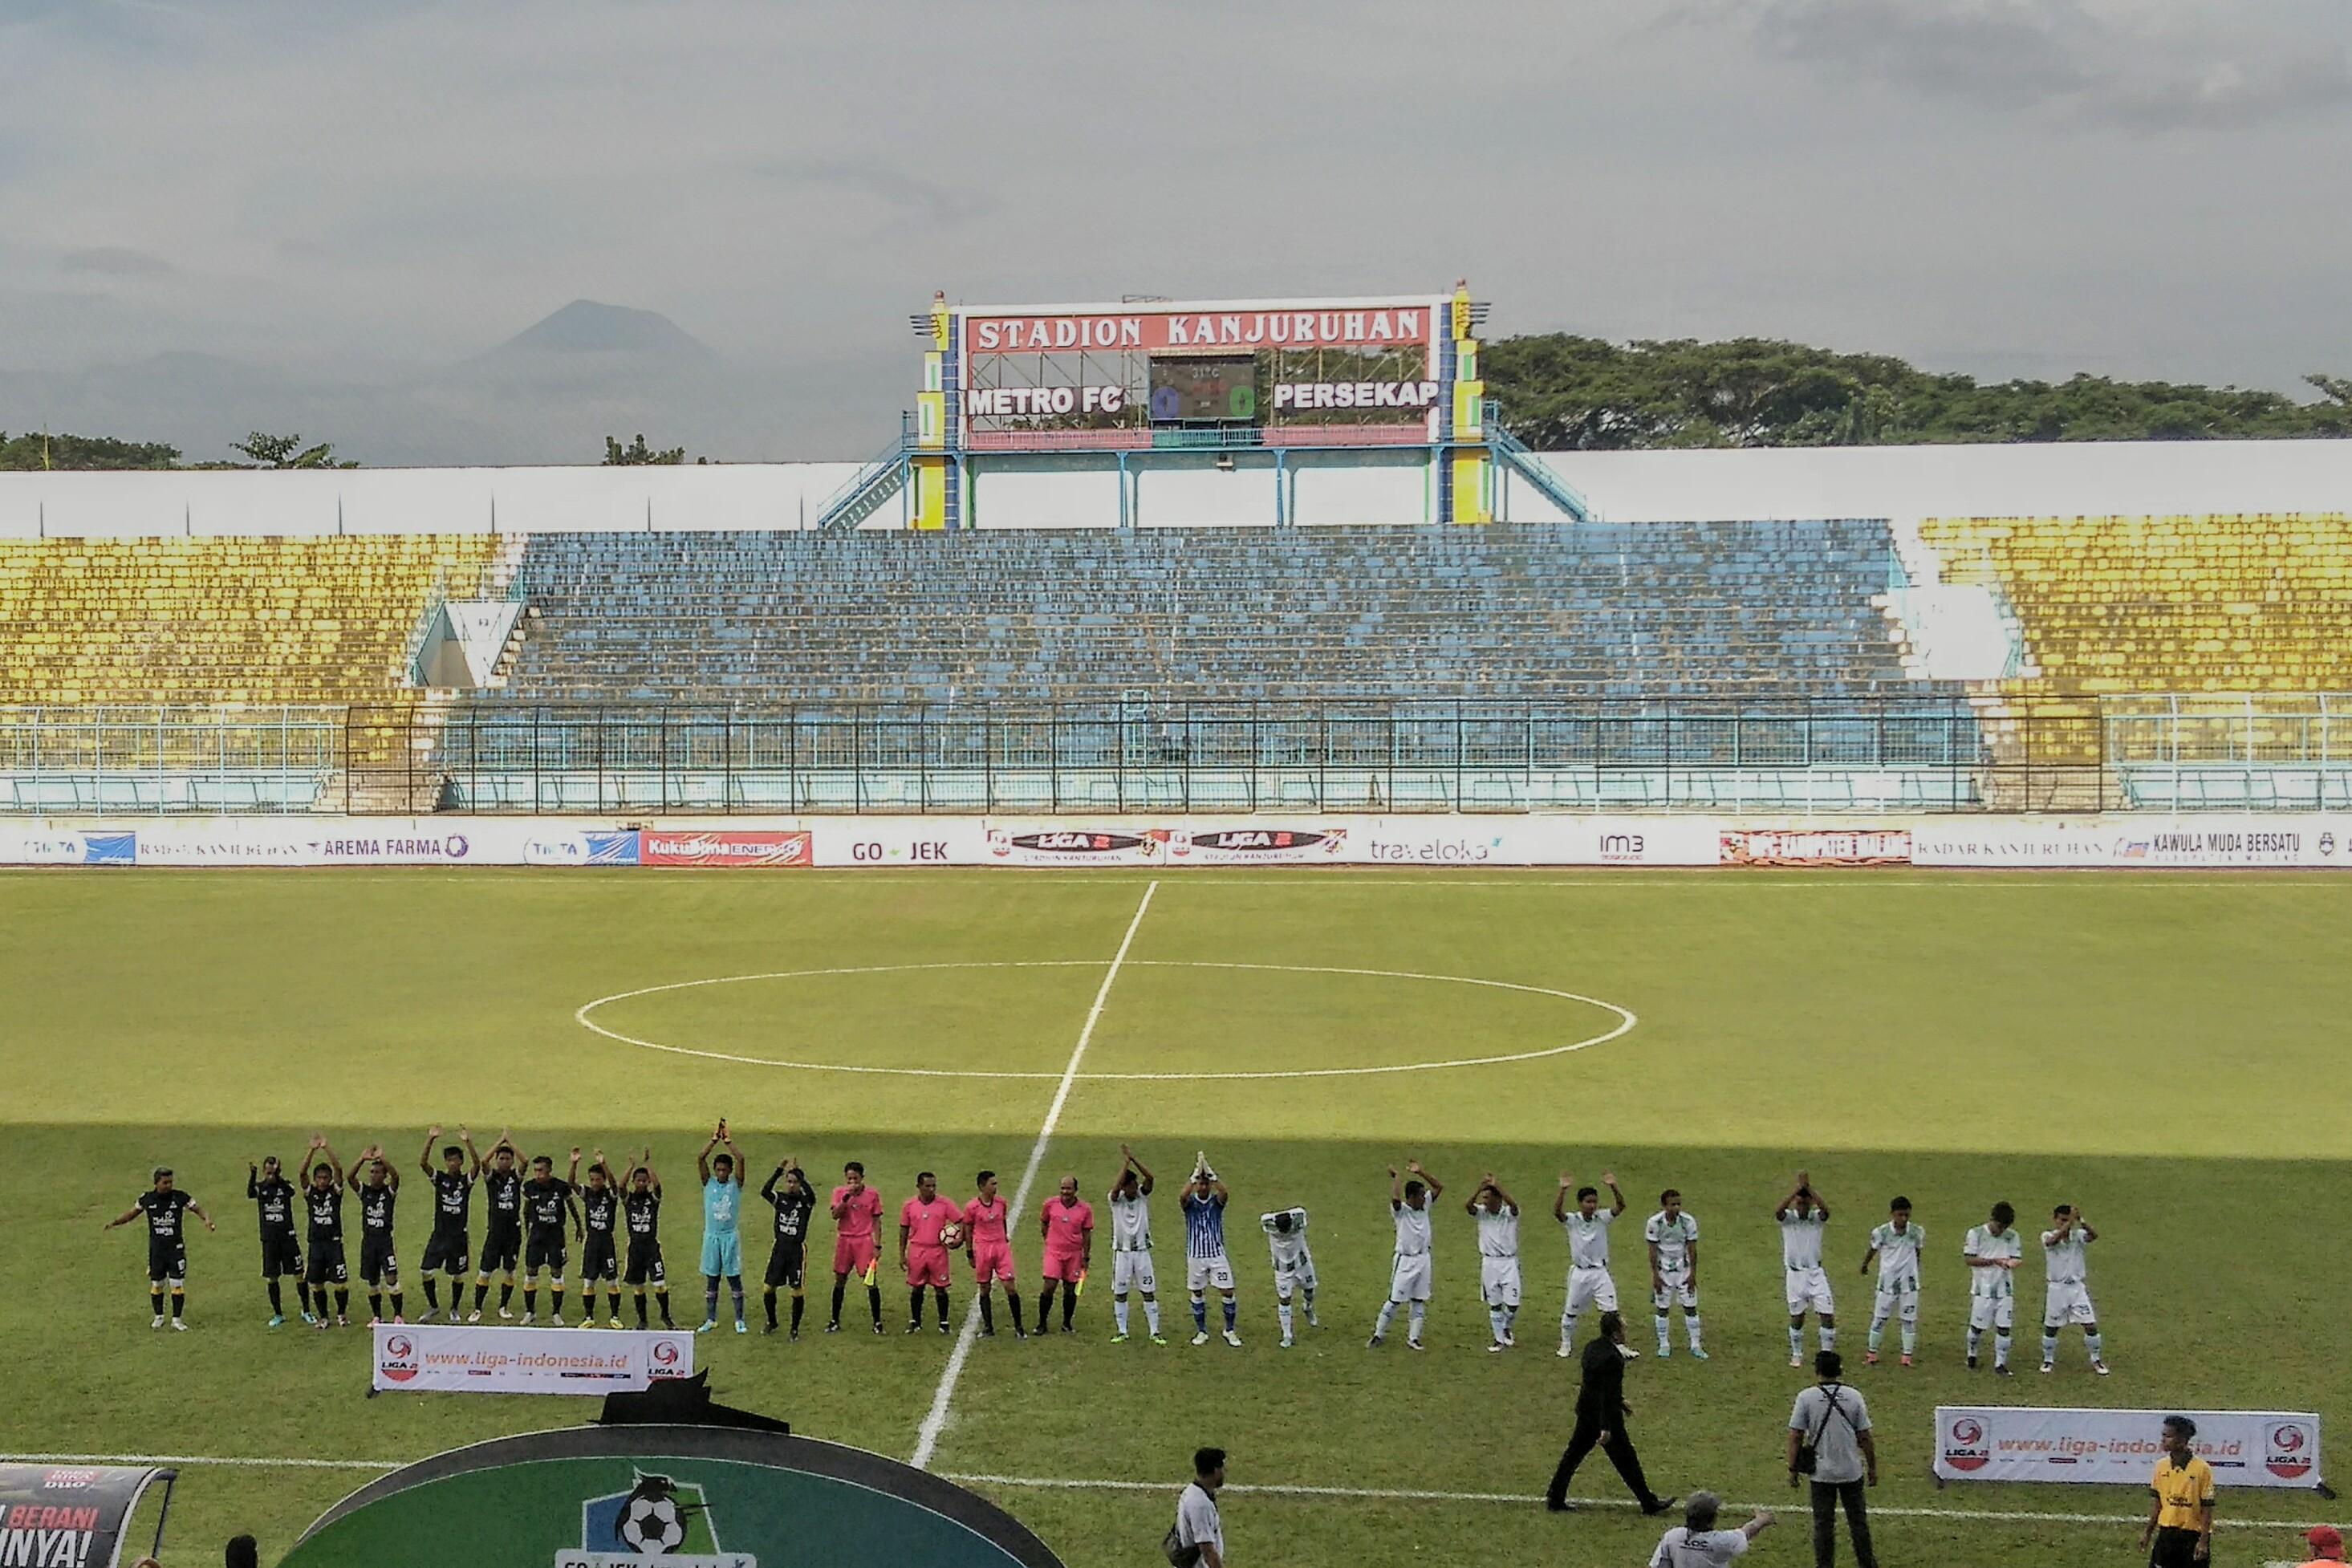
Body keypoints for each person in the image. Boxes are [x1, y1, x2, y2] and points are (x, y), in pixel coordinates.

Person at [1545, 1310, 1673, 1516]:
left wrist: (1621, 1402)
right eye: (1623, 1328)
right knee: (1626, 1459)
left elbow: (1595, 1385)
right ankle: (1649, 1503)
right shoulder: (1614, 1358)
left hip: (1586, 1412)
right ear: (1615, 1333)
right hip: (1605, 1418)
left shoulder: (1591, 1348)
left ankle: (1555, 1497)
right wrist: (1605, 1426)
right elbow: (1605, 1393)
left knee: (1573, 1455)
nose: (1626, 1331)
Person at [1786, 1350, 1878, 1568]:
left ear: (1817, 1371)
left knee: (1823, 1525)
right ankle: (1867, 1564)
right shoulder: (1854, 1396)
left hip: (1821, 1473)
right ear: (1840, 1370)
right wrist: (1872, 1468)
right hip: (1851, 1470)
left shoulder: (1806, 1397)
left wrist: (1793, 1470)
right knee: (1859, 1524)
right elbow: (1865, 1436)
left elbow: (1796, 1435)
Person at [105, 1165, 213, 1330]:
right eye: (165, 1182)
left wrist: (206, 1219)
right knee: (157, 1284)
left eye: (170, 1182)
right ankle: (159, 1317)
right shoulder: (147, 1199)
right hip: (157, 1250)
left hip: (175, 1249)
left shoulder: (180, 1197)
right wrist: (115, 1222)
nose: (169, 1185)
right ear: (156, 1183)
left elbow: (197, 1209)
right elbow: (132, 1214)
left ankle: (177, 1320)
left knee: (176, 1284)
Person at [1371, 1160, 1441, 1351]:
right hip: (1405, 1260)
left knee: (1419, 1300)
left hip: (1424, 1259)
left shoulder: (1425, 1205)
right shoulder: (1401, 1211)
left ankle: (1413, 1338)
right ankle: (1378, 1334)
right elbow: (1395, 1200)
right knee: (1394, 1300)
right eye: (1420, 1196)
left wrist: (1421, 1172)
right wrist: (1397, 1178)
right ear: (1411, 1198)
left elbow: (1438, 1187)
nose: (1423, 1198)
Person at [1555, 1169, 1626, 1359]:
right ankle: (1566, 1344)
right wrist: (1563, 1190)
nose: (1592, 1205)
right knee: (1571, 1312)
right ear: (1580, 1203)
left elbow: (1621, 1206)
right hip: (1580, 1273)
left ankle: (1619, 1346)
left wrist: (1613, 1186)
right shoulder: (1573, 1220)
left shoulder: (1602, 1218)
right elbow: (1558, 1213)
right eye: (1588, 1202)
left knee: (1612, 1312)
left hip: (1600, 1272)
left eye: (1594, 1201)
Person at [2040, 1204, 2109, 1375]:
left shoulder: (2077, 1236)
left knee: (2090, 1325)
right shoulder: (2047, 1235)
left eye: (2067, 1219)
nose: (2065, 1223)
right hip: (2057, 1289)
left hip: (2077, 1288)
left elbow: (2094, 1235)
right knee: (2051, 1327)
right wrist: (2069, 1222)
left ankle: (2096, 1360)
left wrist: (2081, 1221)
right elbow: (2052, 1242)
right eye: (2062, 1220)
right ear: (2055, 1219)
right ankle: (2048, 1360)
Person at [1180, 1157, 1242, 1347]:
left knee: (1228, 1291)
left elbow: (1224, 1192)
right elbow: (1182, 1197)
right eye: (1201, 1184)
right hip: (1196, 1255)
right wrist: (1193, 1177)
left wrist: (1211, 1174)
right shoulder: (1190, 1204)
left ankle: (1229, 1330)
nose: (1204, 1187)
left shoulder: (1216, 1202)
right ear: (1196, 1185)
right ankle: (1201, 1331)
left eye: (1206, 1184)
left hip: (1216, 1254)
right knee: (1197, 1292)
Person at [415, 1127, 474, 1325]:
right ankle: (433, 1306)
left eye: (455, 1160)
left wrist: (468, 1142)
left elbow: (478, 1166)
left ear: (460, 1162)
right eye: (449, 1160)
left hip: (458, 1236)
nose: (452, 1163)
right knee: (426, 1271)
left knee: (457, 1274)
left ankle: (455, 1308)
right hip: (439, 1234)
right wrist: (430, 1139)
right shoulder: (440, 1179)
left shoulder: (465, 1181)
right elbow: (423, 1163)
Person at [1777, 1172, 1835, 1366]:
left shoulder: (1816, 1219)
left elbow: (1827, 1211)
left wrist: (1809, 1189)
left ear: (1811, 1203)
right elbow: (1778, 1211)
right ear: (1795, 1203)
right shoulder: (1789, 1219)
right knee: (1797, 1317)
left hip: (1816, 1273)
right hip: (1795, 1275)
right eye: (1799, 1203)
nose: (1802, 1207)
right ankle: (1797, 1354)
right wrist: (1796, 1190)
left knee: (1827, 1315)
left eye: (1805, 1203)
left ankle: (1826, 1354)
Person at [1107, 1146, 1163, 1345]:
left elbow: (1151, 1179)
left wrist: (1134, 1160)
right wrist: (1125, 1165)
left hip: (1142, 1252)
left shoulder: (1142, 1195)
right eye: (1130, 1185)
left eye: (1134, 1184)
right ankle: (1123, 1331)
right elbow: (1114, 1190)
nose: (1134, 1188)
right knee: (1120, 1293)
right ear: (1124, 1186)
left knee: (1148, 1291)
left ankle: (1154, 1332)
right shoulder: (1115, 1200)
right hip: (1122, 1253)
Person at [2141, 1415, 2214, 1567]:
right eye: (2163, 1435)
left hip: (2191, 1536)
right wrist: (2148, 1533)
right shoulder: (2161, 1466)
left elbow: (2207, 1509)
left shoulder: (2202, 1469)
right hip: (2166, 1535)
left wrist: (2203, 1541)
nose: (2163, 1440)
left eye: (2168, 1436)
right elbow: (2158, 1505)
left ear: (2182, 1440)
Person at [517, 1152, 580, 1324]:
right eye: (536, 1170)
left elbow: (571, 1207)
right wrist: (526, 1231)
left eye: (541, 1170)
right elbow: (525, 1211)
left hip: (555, 1237)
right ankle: (530, 1312)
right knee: (531, 1272)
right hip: (536, 1236)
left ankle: (556, 1313)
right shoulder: (529, 1187)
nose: (538, 1174)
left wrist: (579, 1226)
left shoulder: (561, 1187)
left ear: (549, 1170)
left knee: (556, 1272)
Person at [696, 1122, 747, 1334]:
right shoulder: (709, 1183)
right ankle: (711, 1319)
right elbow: (700, 1158)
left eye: (724, 1170)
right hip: (712, 1237)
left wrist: (728, 1142)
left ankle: (739, 1320)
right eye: (718, 1169)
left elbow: (741, 1159)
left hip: (729, 1237)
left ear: (730, 1171)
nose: (721, 1173)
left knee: (734, 1278)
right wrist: (713, 1141)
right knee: (712, 1279)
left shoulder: (736, 1184)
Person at [1858, 1196, 1922, 1368]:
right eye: (1900, 1215)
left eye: (1907, 1215)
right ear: (1892, 1214)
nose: (1904, 1219)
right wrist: (1864, 1265)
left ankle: (1906, 1357)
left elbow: (1917, 1252)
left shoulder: (1916, 1232)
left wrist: (1915, 1271)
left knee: (1908, 1320)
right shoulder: (1881, 1232)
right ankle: (1872, 1353)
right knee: (1880, 1319)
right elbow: (1872, 1250)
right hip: (1887, 1285)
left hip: (1909, 1285)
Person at [965, 1169, 1026, 1339]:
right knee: (984, 1288)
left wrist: (1004, 1238)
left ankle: (1019, 1327)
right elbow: (968, 1229)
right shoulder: (972, 1207)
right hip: (983, 1249)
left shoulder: (1001, 1203)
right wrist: (969, 1252)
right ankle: (988, 1327)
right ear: (982, 1186)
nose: (995, 1187)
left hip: (1000, 1247)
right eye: (992, 1184)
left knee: (1010, 1287)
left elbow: (1003, 1221)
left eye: (996, 1183)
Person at [347, 1144, 404, 1326]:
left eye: (378, 1172)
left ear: (384, 1175)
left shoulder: (388, 1192)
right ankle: (377, 1316)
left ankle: (398, 1316)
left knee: (391, 1278)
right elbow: (350, 1178)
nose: (373, 1175)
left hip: (385, 1242)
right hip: (369, 1243)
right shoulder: (366, 1192)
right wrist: (362, 1159)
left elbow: (396, 1177)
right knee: (372, 1282)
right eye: (371, 1172)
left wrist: (383, 1158)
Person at [469, 1131, 523, 1322]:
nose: (504, 1162)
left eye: (508, 1159)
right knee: (485, 1271)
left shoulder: (515, 1178)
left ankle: (504, 1307)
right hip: (495, 1232)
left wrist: (511, 1142)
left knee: (509, 1271)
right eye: (501, 1158)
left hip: (513, 1233)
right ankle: (477, 1309)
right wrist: (500, 1140)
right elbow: (483, 1162)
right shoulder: (493, 1179)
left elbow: (525, 1162)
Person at [1644, 1187, 1704, 1360]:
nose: (1676, 1208)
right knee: (1663, 1308)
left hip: (1683, 1270)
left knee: (1691, 1307)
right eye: (1672, 1205)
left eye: (1678, 1204)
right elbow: (1652, 1251)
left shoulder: (1688, 1221)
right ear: (1664, 1206)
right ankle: (1664, 1344)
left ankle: (1695, 1344)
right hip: (1664, 1271)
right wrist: (1655, 1275)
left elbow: (1692, 1248)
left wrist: (1693, 1274)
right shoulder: (1654, 1223)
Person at [759, 1156, 816, 1337]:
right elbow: (765, 1191)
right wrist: (779, 1170)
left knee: (796, 1290)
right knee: (768, 1287)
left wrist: (801, 1176)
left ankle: (794, 1329)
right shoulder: (780, 1199)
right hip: (779, 1249)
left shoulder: (806, 1203)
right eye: (789, 1182)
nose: (791, 1185)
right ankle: (772, 1321)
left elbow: (812, 1196)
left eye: (795, 1182)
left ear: (800, 1184)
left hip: (796, 1251)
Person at [827, 1160, 885, 1334]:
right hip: (844, 1240)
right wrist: (846, 1198)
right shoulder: (839, 1192)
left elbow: (876, 1220)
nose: (852, 1182)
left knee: (870, 1280)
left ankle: (877, 1322)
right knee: (840, 1279)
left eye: (855, 1179)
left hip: (864, 1240)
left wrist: (877, 1244)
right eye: (849, 1179)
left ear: (862, 1178)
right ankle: (834, 1320)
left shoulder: (872, 1194)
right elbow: (835, 1215)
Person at [1964, 1200, 2021, 1374]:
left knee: (2004, 1327)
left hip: (2005, 1290)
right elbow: (1969, 1259)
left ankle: (2000, 1364)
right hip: (1983, 1290)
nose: (2001, 1230)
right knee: (1977, 1328)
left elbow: (2017, 1258)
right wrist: (1994, 1261)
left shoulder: (2012, 1236)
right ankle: (1972, 1354)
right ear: (1992, 1219)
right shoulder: (1976, 1234)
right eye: (1999, 1226)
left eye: (2004, 1227)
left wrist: (2012, 1264)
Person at [246, 1154, 303, 1326]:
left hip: (288, 1238)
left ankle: (306, 1310)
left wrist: (279, 1178)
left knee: (299, 1274)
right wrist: (253, 1175)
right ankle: (278, 1314)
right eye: (268, 1173)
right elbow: (250, 1193)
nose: (270, 1176)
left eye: (273, 1173)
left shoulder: (285, 1186)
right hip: (269, 1240)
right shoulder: (260, 1187)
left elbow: (292, 1191)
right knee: (272, 1277)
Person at [900, 1170, 961, 1333]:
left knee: (940, 1287)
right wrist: (902, 1254)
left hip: (937, 1251)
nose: (932, 1189)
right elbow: (904, 1229)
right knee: (917, 1287)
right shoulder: (909, 1205)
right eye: (927, 1186)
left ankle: (943, 1322)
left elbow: (962, 1222)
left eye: (934, 1186)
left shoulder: (945, 1204)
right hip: (917, 1250)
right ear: (919, 1186)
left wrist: (958, 1240)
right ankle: (915, 1321)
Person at [621, 1148, 676, 1329]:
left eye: (645, 1181)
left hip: (652, 1248)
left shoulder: (652, 1199)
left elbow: (658, 1187)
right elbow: (620, 1187)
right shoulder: (629, 1199)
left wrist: (648, 1164)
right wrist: (631, 1167)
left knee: (660, 1283)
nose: (642, 1184)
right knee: (639, 1286)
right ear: (634, 1182)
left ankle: (666, 1316)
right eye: (639, 1181)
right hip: (635, 1248)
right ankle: (642, 1320)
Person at [300, 1136, 351, 1328]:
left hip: (334, 1243)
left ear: (329, 1180)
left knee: (341, 1283)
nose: (322, 1181)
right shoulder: (310, 1193)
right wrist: (311, 1150)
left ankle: (341, 1313)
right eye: (319, 1178)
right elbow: (302, 1173)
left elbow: (338, 1170)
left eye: (325, 1178)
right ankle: (323, 1317)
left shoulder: (335, 1193)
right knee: (317, 1283)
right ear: (315, 1180)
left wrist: (326, 1148)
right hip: (316, 1244)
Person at [1649, 1493, 1775, 1568]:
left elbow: (1660, 1565)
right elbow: (1746, 1532)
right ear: (1712, 1519)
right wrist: (1761, 1521)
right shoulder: (1722, 1541)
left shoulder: (1673, 1536)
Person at [1036, 1173, 1095, 1334]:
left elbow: (1087, 1233)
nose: (1065, 1192)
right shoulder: (1050, 1204)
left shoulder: (1085, 1209)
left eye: (1068, 1188)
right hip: (1054, 1252)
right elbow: (1044, 1222)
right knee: (1049, 1286)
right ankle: (1042, 1324)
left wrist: (1086, 1256)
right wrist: (1049, 1240)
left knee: (1070, 1288)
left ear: (1076, 1190)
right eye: (1062, 1188)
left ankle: (1067, 1323)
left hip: (1074, 1254)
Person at [1469, 1173, 1521, 1352]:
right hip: (1490, 1263)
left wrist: (1497, 1186)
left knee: (1513, 1304)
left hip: (1509, 1263)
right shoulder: (1482, 1214)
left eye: (1488, 1198)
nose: (1484, 1201)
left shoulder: (1509, 1213)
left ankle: (1505, 1327)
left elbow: (1514, 1206)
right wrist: (1480, 1188)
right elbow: (1468, 1206)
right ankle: (1498, 1339)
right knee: (1495, 1304)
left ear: (1498, 1199)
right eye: (1483, 1198)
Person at [1258, 1205, 1318, 1348]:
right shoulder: (1278, 1227)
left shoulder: (1272, 1226)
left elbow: (1265, 1217)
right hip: (1282, 1270)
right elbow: (1300, 1211)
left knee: (1310, 1290)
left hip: (1302, 1265)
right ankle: (1287, 1335)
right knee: (1284, 1299)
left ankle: (1307, 1307)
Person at [578, 1150, 623, 1327]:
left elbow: (614, 1184)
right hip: (592, 1242)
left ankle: (615, 1316)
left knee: (612, 1280)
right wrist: (574, 1163)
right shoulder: (588, 1194)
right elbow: (572, 1184)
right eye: (592, 1179)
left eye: (597, 1179)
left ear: (603, 1180)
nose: (594, 1182)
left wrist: (604, 1164)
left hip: (607, 1242)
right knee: (589, 1280)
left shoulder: (610, 1195)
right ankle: (588, 1317)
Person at [1174, 1447, 1226, 1568]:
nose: (1225, 1472)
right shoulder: (1200, 1504)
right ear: (1215, 1470)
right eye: (1222, 1468)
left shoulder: (1191, 1492)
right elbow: (1207, 1551)